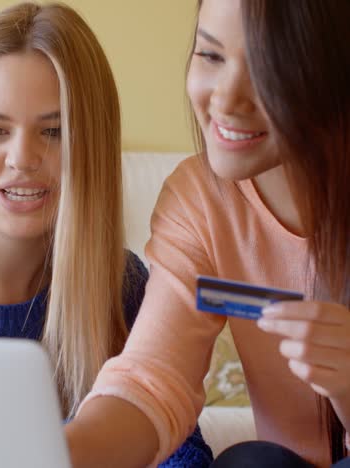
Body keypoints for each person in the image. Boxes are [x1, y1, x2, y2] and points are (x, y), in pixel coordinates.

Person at [0, 2, 213, 466]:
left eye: (54, 132)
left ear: (92, 142)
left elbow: (185, 455)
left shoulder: (123, 288)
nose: (22, 158)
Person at [65, 0, 350, 467]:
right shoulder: (201, 199)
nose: (225, 99)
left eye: (267, 67)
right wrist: (57, 454)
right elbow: (152, 378)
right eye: (211, 55)